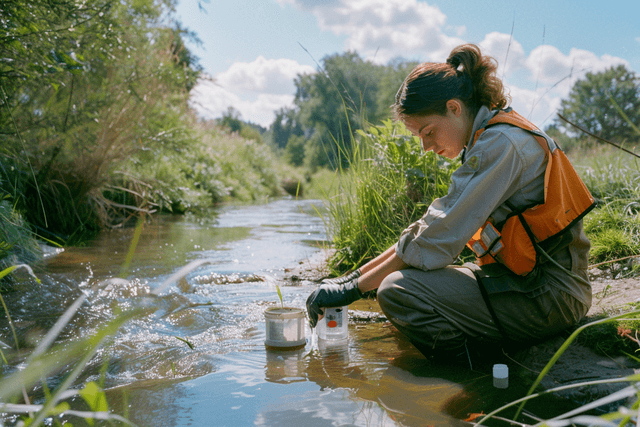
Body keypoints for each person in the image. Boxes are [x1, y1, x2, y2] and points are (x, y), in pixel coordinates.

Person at [306, 43, 595, 359]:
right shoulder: (488, 137)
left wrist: (351, 290)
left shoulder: (500, 145)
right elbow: (427, 228)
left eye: (428, 132)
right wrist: (349, 278)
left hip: (550, 298)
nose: (425, 146)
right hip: (524, 283)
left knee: (398, 292)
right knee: (404, 288)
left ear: (454, 108)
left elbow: (435, 239)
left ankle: (476, 375)